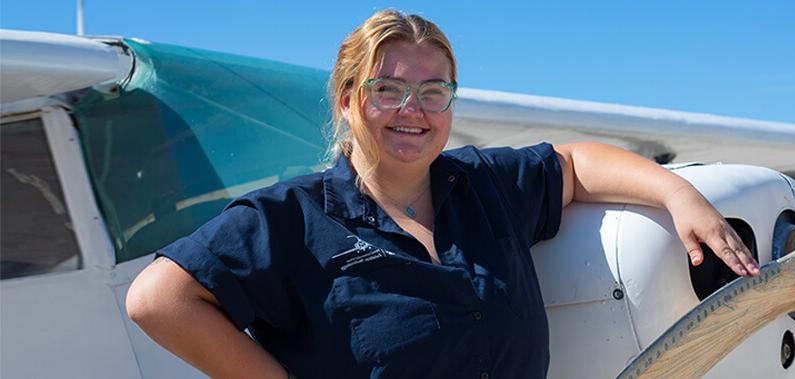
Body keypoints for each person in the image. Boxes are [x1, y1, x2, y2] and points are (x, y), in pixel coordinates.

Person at [126, 9, 759, 379]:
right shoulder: (288, 217)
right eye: (387, 90)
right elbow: (157, 300)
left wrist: (680, 195)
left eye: (434, 93)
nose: (413, 110)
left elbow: (573, 162)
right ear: (347, 102)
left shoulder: (485, 185)